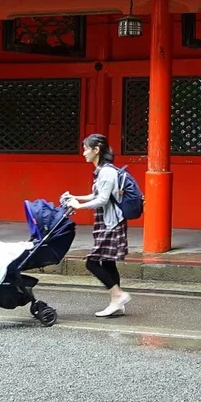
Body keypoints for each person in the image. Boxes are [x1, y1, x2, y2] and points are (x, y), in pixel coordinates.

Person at [60, 134, 131, 318]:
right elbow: (96, 195)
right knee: (108, 262)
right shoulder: (102, 170)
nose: (83, 153)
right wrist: (74, 197)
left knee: (92, 262)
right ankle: (116, 304)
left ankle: (118, 295)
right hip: (106, 222)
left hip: (111, 224)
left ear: (96, 150)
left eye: (86, 149)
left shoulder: (106, 172)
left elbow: (102, 199)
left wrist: (79, 206)